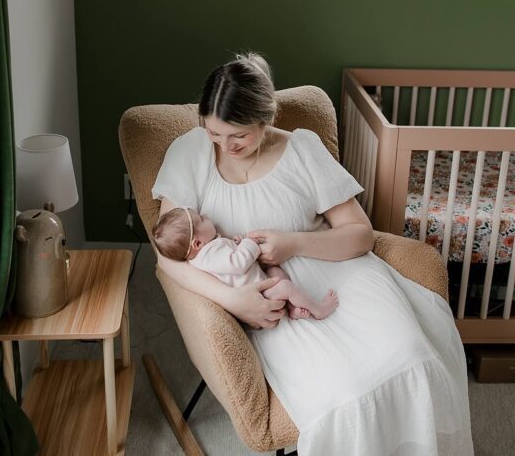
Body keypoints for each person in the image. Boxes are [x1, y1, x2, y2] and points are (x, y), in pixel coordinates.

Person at [152, 53, 473, 455]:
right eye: (215, 133)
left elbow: (359, 235)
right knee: (345, 391)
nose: (225, 146)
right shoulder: (191, 153)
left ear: (264, 119)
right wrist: (234, 299)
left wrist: (294, 242)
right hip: (270, 295)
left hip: (338, 272)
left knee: (410, 355)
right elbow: (168, 258)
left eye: (239, 136)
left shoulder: (302, 148)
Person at [153, 206, 340, 320]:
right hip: (258, 296)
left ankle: (291, 308)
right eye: (202, 219)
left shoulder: (204, 255)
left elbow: (227, 259)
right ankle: (319, 309)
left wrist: (234, 243)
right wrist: (249, 242)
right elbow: (237, 263)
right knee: (286, 286)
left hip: (260, 284)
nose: (206, 216)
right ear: (197, 243)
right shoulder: (209, 254)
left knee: (276, 272)